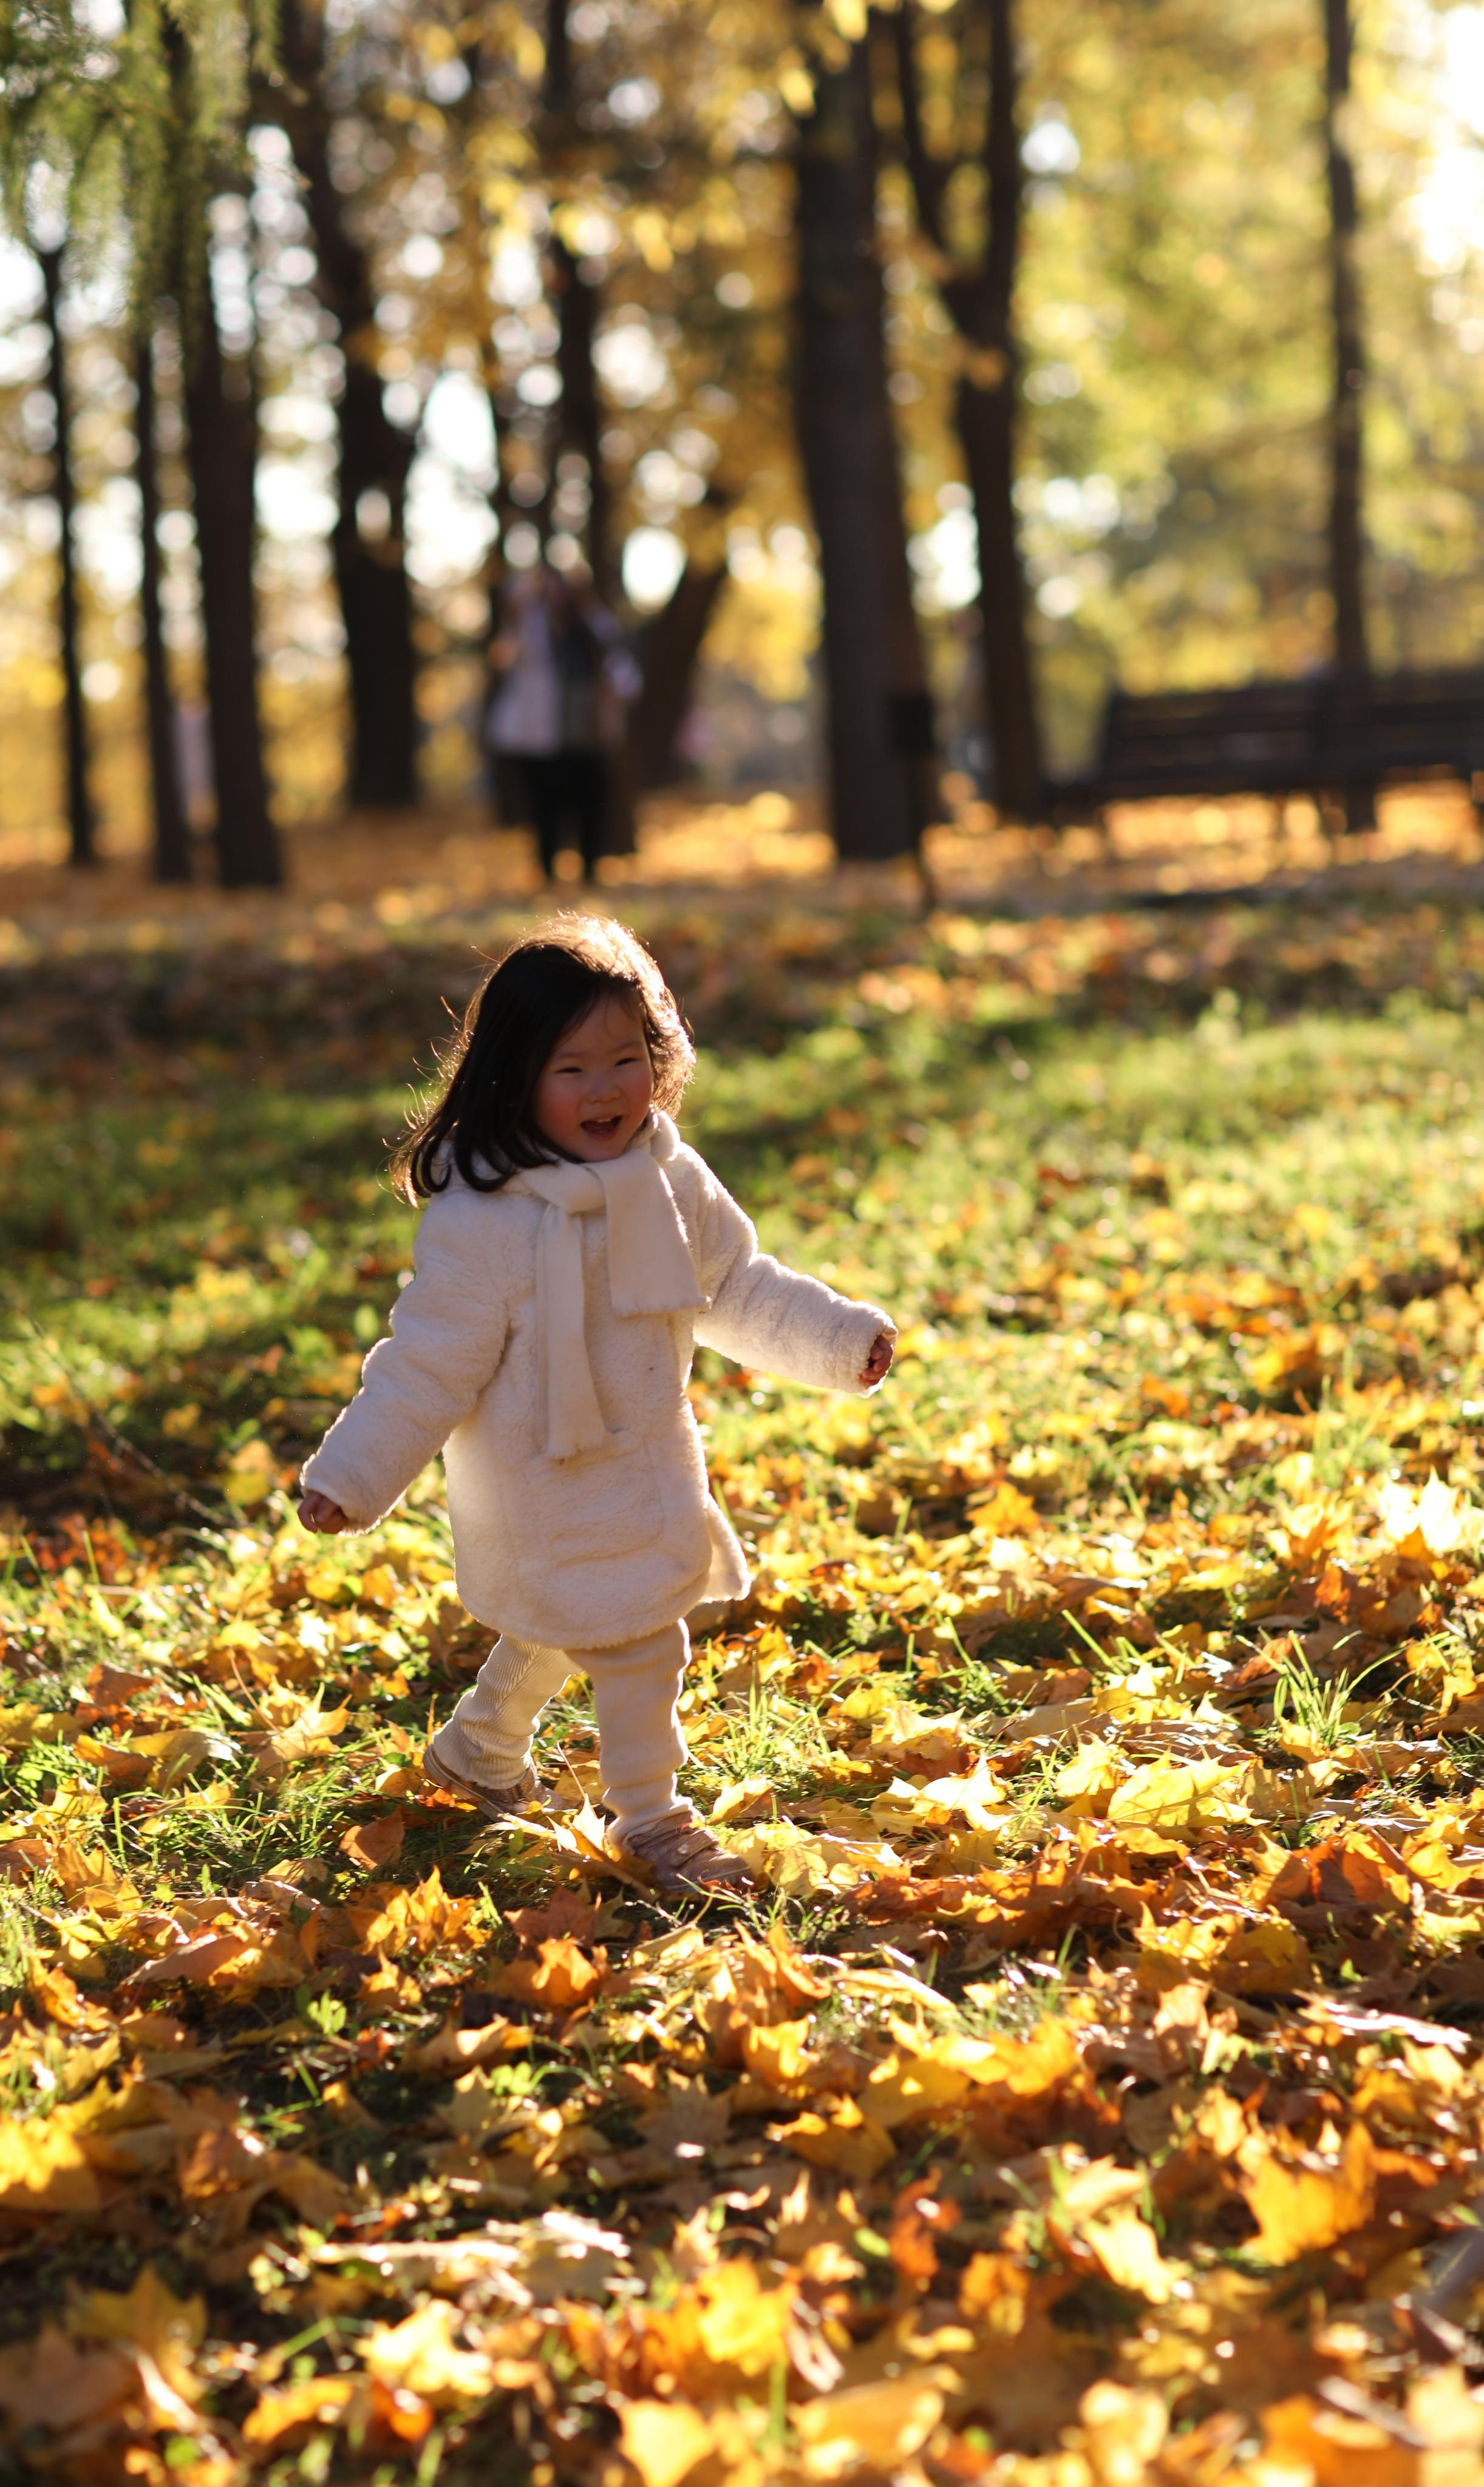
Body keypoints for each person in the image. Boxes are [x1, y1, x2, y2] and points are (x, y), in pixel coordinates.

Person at [296, 916, 896, 1896]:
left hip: (640, 1464)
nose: (606, 1088)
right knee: (635, 1640)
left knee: (559, 1627)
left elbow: (735, 1286)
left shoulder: (666, 1179)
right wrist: (352, 1478)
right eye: (571, 1068)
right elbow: (425, 1364)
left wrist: (836, 1341)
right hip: (536, 1483)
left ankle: (475, 1755)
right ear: (514, 1076)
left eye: (626, 1058)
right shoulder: (484, 1220)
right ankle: (649, 1819)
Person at [485, 565, 638, 883]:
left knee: (590, 804)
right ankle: (548, 870)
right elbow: (503, 659)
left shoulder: (595, 624)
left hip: (588, 732)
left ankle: (590, 869)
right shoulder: (528, 626)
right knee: (546, 805)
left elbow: (621, 671)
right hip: (544, 737)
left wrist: (615, 696)